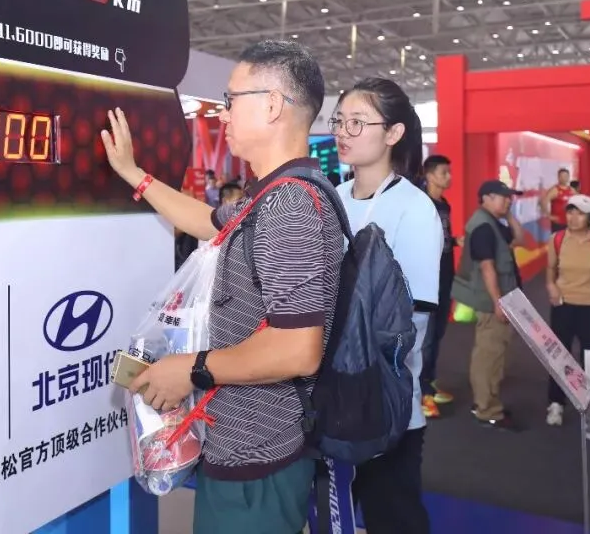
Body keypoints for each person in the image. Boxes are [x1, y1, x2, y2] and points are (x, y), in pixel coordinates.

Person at [100, 40, 346, 532]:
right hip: (246, 447)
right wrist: (135, 175)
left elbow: (297, 350)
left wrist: (190, 369)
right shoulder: (270, 197)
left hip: (259, 459)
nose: (223, 113)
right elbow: (207, 220)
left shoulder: (290, 206)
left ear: (272, 105)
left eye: (232, 100)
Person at [333, 78, 442, 534]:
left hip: (385, 403)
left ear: (394, 133)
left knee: (393, 517)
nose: (343, 132)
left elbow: (410, 323)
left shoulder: (414, 210)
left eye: (357, 122)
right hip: (328, 400)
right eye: (340, 121)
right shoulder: (333, 198)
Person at [452, 180, 526, 431]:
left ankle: (486, 403)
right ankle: (487, 411)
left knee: (493, 352)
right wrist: (498, 302)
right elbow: (487, 267)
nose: (508, 201)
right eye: (504, 197)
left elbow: (519, 239)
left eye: (509, 197)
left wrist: (509, 215)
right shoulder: (483, 227)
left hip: (498, 299)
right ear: (486, 198)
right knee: (489, 355)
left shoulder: (493, 223)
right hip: (491, 301)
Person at [544, 195, 590, 437]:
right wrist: (551, 287)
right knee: (559, 357)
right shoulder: (557, 239)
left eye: (580, 213)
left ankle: (589, 408)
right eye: (570, 212)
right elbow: (550, 270)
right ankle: (556, 403)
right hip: (563, 305)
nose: (573, 218)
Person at [419, 154, 458, 418]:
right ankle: (421, 393)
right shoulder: (421, 204)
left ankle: (429, 383)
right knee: (426, 337)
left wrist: (455, 241)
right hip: (427, 279)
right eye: (444, 172)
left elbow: (442, 238)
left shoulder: (444, 204)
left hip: (445, 276)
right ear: (430, 175)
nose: (448, 177)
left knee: (438, 333)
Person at [543, 168, 575, 233]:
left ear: (568, 177)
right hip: (558, 223)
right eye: (562, 176)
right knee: (558, 239)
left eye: (566, 176)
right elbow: (544, 202)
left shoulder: (571, 190)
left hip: (569, 223)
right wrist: (549, 216)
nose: (564, 178)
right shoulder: (555, 190)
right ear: (558, 177)